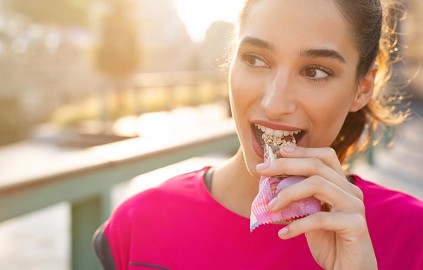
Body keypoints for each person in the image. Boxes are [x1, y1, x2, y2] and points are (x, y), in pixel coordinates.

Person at [93, 0, 423, 269]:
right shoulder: (137, 228)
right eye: (255, 59)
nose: (274, 103)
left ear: (362, 88)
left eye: (316, 71)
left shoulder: (410, 237)